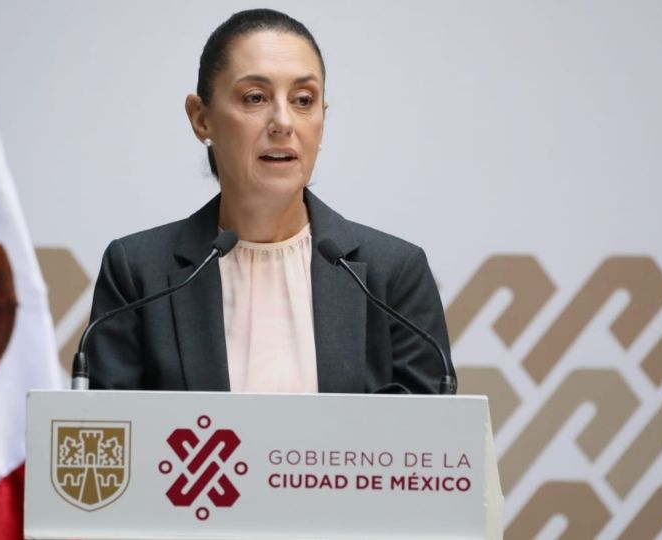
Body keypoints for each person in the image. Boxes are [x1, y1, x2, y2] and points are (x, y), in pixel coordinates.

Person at [85, 8, 453, 394]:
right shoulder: (139, 274)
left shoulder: (391, 275)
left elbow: (426, 442)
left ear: (322, 120)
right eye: (256, 97)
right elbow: (115, 437)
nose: (283, 122)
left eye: (304, 99)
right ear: (201, 118)